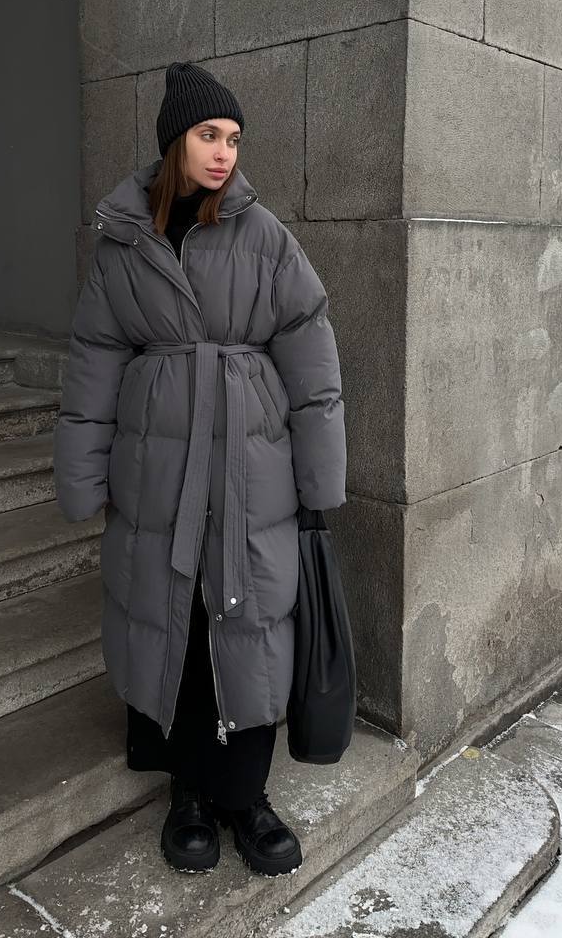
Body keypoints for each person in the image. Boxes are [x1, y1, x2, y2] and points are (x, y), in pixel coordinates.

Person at [54, 61, 347, 876]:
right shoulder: (125, 242)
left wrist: (319, 480)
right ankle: (187, 789)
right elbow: (94, 362)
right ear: (173, 142)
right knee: (172, 618)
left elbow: (313, 363)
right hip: (157, 468)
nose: (224, 153)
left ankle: (246, 796)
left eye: (234, 139)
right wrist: (82, 475)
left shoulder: (265, 236)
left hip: (250, 469)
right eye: (209, 135)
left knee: (250, 619)